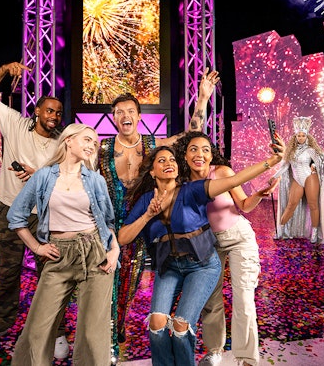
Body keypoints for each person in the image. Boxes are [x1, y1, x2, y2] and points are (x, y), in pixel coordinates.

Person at [117, 141, 284, 365]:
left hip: (204, 260)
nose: (169, 163)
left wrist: (270, 162)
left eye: (172, 160)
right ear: (152, 170)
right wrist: (147, 216)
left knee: (183, 323)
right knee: (157, 322)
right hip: (170, 265)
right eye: (162, 161)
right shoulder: (147, 200)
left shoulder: (192, 190)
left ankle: (243, 358)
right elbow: (123, 237)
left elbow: (235, 181)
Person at [99, 69, 218, 354]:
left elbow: (191, 133)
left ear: (139, 116)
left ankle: (121, 323)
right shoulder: (102, 148)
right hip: (107, 225)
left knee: (130, 281)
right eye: (118, 111)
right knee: (105, 280)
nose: (124, 115)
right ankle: (108, 338)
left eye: (130, 110)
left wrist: (202, 98)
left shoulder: (154, 146)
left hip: (142, 221)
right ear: (114, 117)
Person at [0, 61, 71, 359]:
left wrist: (40, 175)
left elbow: (69, 177)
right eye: (49, 110)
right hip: (11, 212)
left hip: (46, 216)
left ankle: (55, 329)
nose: (54, 116)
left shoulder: (62, 143)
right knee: (6, 272)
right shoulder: (16, 124)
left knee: (52, 276)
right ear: (37, 112)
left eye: (58, 112)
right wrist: (3, 69)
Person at [8, 123, 119, 365]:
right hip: (59, 254)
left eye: (95, 143)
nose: (92, 145)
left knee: (93, 332)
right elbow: (16, 216)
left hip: (95, 253)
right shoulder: (44, 176)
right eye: (87, 139)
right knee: (37, 329)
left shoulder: (96, 180)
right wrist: (37, 248)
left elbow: (109, 222)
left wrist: (114, 250)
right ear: (68, 140)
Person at [174, 131, 277, 366]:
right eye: (193, 149)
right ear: (185, 154)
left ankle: (247, 357)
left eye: (205, 150)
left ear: (212, 156)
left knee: (243, 297)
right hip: (208, 243)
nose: (199, 154)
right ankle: (214, 351)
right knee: (211, 299)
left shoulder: (222, 172)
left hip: (239, 237)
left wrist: (259, 195)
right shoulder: (182, 182)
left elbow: (244, 205)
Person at [272, 116, 324, 244]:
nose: (301, 138)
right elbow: (285, 166)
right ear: (295, 137)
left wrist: (315, 165)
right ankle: (281, 230)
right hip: (297, 180)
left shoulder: (311, 150)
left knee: (313, 205)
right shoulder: (290, 151)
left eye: (303, 136)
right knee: (291, 205)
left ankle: (314, 232)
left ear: (307, 137)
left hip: (310, 178)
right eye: (299, 136)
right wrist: (274, 177)